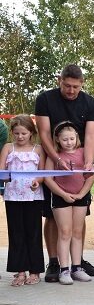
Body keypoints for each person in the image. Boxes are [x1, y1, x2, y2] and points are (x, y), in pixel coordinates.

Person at [35, 64, 94, 282]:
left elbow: (91, 136)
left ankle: (77, 261)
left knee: (78, 217)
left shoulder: (91, 103)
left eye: (75, 87)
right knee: (53, 216)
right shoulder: (45, 99)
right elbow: (43, 132)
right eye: (67, 86)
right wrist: (56, 158)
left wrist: (89, 162)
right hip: (53, 158)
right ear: (59, 80)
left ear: (82, 84)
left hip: (79, 161)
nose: (71, 90)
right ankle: (54, 262)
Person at [43, 122, 94, 285]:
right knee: (65, 232)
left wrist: (82, 193)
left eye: (72, 138)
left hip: (80, 197)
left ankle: (77, 268)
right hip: (61, 198)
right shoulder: (55, 156)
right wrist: (63, 194)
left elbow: (91, 175)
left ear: (77, 138)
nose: (69, 142)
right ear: (58, 140)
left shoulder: (82, 153)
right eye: (65, 139)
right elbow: (47, 178)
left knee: (77, 232)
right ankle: (64, 269)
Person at [0, 115, 45, 286]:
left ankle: (35, 271)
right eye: (17, 133)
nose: (20, 137)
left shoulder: (38, 149)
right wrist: (5, 177)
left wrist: (37, 182)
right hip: (12, 197)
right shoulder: (7, 148)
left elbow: (42, 173)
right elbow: (2, 171)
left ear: (31, 133)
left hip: (33, 198)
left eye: (24, 133)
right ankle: (20, 271)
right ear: (12, 133)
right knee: (16, 234)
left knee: (33, 233)